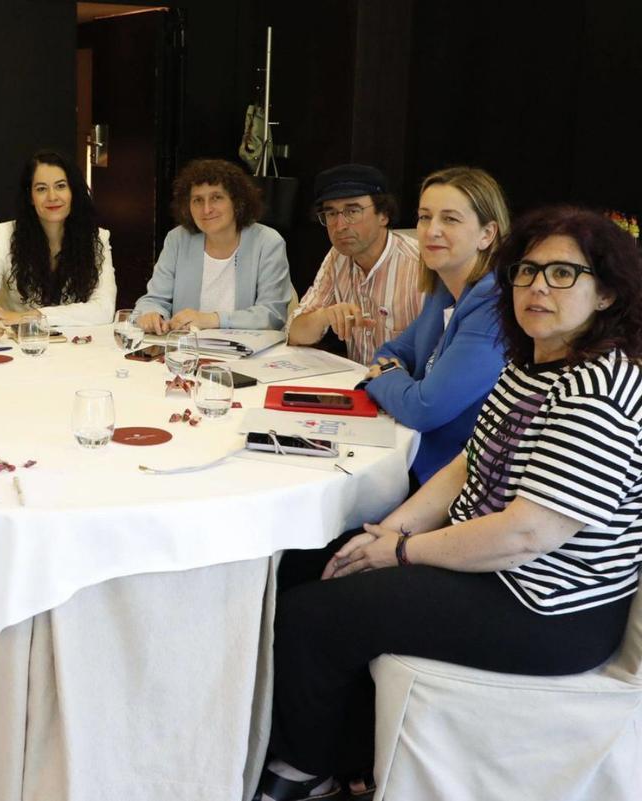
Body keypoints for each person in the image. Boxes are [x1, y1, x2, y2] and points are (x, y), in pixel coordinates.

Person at [253, 206, 642, 801]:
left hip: (545, 607)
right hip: (490, 566)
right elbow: (468, 462)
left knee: (313, 617)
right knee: (302, 561)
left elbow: (527, 534)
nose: (538, 286)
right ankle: (347, 749)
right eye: (526, 271)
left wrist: (402, 552)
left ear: (608, 292)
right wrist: (389, 529)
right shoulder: (531, 363)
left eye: (564, 274)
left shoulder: (599, 390)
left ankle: (309, 770)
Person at [360, 166, 510, 485]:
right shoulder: (443, 289)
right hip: (416, 459)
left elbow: (423, 409)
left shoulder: (492, 304)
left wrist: (388, 376)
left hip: (459, 482)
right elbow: (391, 351)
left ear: (487, 234)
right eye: (425, 217)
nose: (431, 231)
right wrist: (401, 381)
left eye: (450, 219)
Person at [0, 149, 114, 339]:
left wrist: (31, 316)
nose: (52, 197)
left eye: (61, 186)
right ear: (30, 197)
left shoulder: (96, 238)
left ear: (73, 191)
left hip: (75, 348)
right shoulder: (3, 234)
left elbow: (104, 309)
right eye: (41, 189)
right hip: (18, 346)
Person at [134, 158, 291, 333]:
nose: (206, 209)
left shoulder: (268, 242)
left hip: (245, 352)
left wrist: (212, 319)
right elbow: (153, 299)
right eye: (198, 200)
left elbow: (272, 314)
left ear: (237, 202)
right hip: (187, 351)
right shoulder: (177, 239)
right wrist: (152, 314)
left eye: (216, 198)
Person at [287, 164, 422, 364]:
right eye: (331, 213)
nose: (340, 226)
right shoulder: (337, 257)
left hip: (406, 389)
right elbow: (295, 333)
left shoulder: (419, 265)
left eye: (352, 211)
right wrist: (325, 316)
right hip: (358, 386)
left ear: (383, 215)